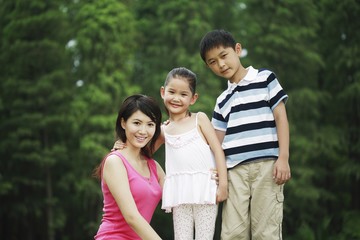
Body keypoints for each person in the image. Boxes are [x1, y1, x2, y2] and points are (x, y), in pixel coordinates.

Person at [199, 29, 291, 240]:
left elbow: (281, 118)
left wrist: (283, 157)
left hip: (268, 168)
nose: (221, 64)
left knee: (266, 232)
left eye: (224, 56)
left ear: (237, 50)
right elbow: (214, 143)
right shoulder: (222, 99)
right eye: (213, 62)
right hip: (234, 173)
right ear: (208, 66)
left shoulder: (265, 78)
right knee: (232, 233)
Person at [159, 67, 228, 240]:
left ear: (193, 98)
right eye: (172, 92)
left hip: (205, 189)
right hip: (179, 192)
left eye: (183, 94)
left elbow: (217, 149)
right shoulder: (163, 129)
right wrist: (121, 143)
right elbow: (143, 152)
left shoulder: (200, 119)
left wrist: (223, 185)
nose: (176, 98)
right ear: (163, 92)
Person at [93, 94, 165, 240]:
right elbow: (131, 216)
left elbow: (177, 197)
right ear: (123, 123)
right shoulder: (115, 162)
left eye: (150, 124)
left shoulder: (154, 167)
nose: (143, 131)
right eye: (137, 123)